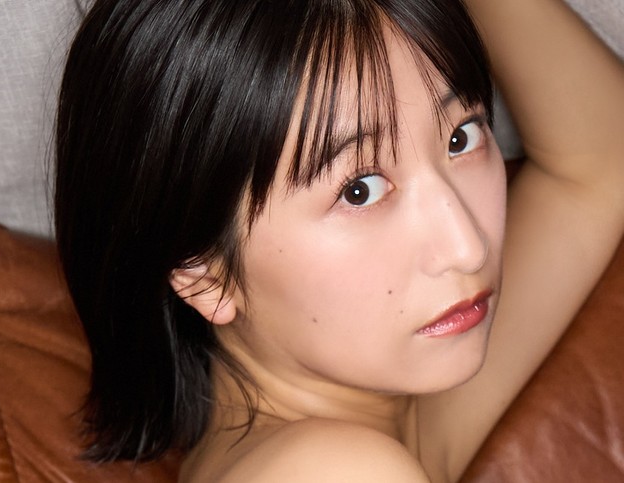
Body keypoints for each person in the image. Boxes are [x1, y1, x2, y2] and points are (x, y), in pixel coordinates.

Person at [54, 0, 624, 481]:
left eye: (460, 137)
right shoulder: (337, 468)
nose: (467, 247)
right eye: (359, 191)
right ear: (204, 273)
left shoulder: (390, 424)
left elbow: (602, 158)